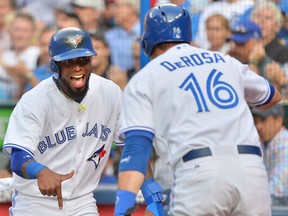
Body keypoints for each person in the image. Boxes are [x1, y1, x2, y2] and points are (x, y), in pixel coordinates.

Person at [114, 3, 282, 216]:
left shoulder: (145, 78)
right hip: (251, 170)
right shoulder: (225, 61)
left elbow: (136, 149)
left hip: (201, 172)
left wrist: (123, 204)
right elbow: (273, 96)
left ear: (147, 40)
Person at [2, 27, 123, 216]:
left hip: (83, 201)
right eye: (69, 61)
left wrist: (148, 191)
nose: (77, 67)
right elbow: (18, 158)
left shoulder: (111, 93)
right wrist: (39, 170)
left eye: (83, 59)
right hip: (35, 203)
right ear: (55, 65)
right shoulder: (35, 100)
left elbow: (129, 145)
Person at [228, 20, 286, 92]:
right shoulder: (231, 62)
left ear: (258, 42)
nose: (236, 48)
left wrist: (253, 62)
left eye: (241, 44)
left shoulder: (271, 69)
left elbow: (256, 97)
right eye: (234, 43)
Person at [252, 104, 288, 206]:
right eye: (255, 122)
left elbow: (277, 188)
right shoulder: (264, 144)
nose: (258, 127)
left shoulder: (285, 143)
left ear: (279, 121)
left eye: (263, 120)